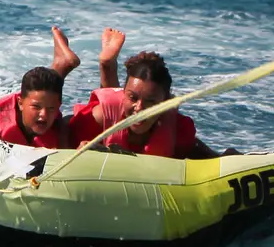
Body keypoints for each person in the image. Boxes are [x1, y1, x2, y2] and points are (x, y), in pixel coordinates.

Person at [69, 30, 218, 158]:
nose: (140, 108)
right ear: (124, 93)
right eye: (132, 97)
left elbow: (211, 160)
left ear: (164, 103)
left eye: (151, 101)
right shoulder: (96, 119)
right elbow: (57, 135)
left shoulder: (178, 131)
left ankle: (108, 65)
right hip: (110, 119)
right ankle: (101, 65)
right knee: (114, 110)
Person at [0, 66, 73, 148]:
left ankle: (62, 65)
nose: (44, 115)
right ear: (20, 103)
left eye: (51, 108)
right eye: (36, 107)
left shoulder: (59, 126)